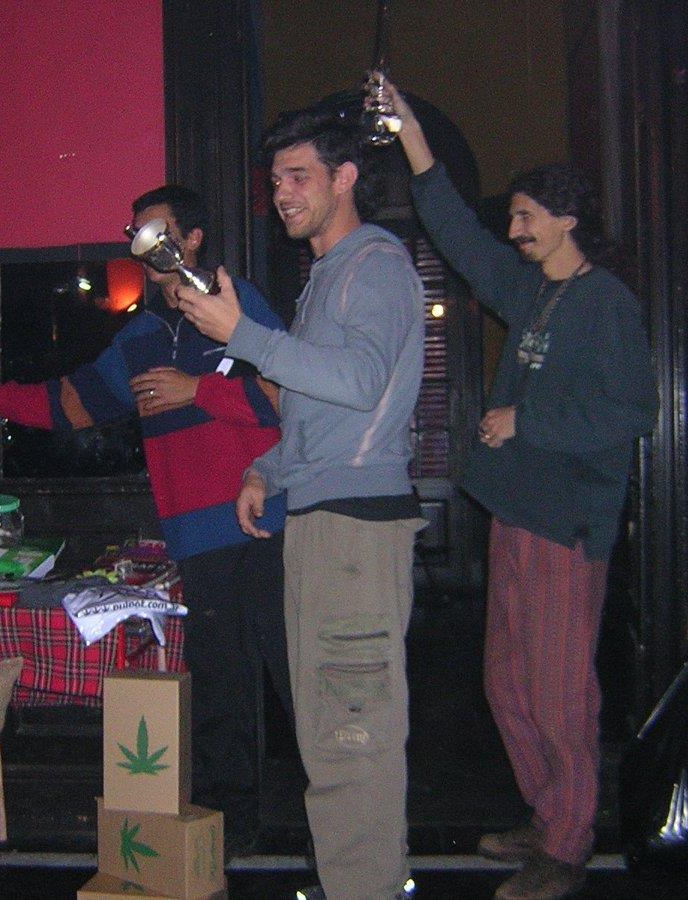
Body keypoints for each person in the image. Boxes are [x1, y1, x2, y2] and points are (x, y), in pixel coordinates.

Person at [0, 185, 293, 855]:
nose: (145, 246)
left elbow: (290, 396)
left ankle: (338, 821)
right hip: (198, 532)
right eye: (137, 234)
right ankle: (232, 832)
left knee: (294, 672)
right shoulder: (142, 334)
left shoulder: (236, 303)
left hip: (268, 516)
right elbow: (71, 404)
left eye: (158, 232)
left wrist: (198, 390)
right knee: (221, 683)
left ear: (193, 238)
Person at [385, 80, 657, 900]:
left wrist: (525, 422)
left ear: (567, 220)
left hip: (565, 524)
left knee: (559, 692)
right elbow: (458, 235)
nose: (513, 230)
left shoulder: (605, 303)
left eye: (527, 216)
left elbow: (632, 411)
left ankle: (567, 848)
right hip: (516, 512)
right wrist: (410, 133)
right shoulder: (536, 290)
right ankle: (549, 817)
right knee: (507, 683)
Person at [176, 110, 426, 900]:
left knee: (353, 731)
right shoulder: (326, 278)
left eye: (299, 176)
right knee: (326, 729)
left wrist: (244, 335)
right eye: (276, 178)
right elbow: (319, 414)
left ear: (344, 178)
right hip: (323, 523)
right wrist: (267, 470)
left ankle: (365, 889)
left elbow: (360, 382)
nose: (282, 192)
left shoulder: (375, 264)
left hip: (357, 530)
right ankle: (356, 880)